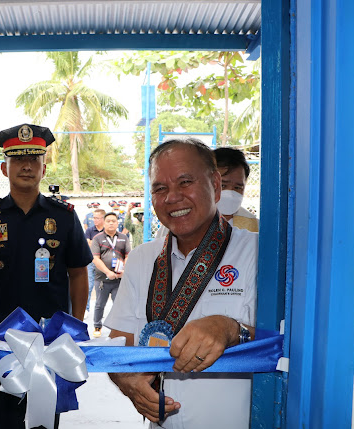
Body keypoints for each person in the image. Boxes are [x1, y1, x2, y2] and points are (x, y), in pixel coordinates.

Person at [105, 138, 258, 428]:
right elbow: (118, 341)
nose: (172, 197)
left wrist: (230, 329)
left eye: (185, 182)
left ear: (214, 184)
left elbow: (283, 342)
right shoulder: (141, 259)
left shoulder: (257, 253)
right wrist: (125, 379)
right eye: (159, 188)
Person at [0, 123, 92, 429]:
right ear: (4, 169)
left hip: (51, 340)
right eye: (18, 159)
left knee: (46, 418)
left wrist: (76, 328)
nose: (27, 166)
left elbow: (78, 273)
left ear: (44, 168)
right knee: (3, 416)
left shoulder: (64, 216)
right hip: (3, 338)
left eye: (34, 159)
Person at [90, 212, 131, 338]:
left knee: (118, 304)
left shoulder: (124, 238)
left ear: (118, 223)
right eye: (108, 221)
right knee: (100, 304)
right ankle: (97, 326)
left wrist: (124, 270)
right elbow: (95, 258)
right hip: (102, 279)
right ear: (104, 223)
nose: (111, 223)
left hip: (119, 279)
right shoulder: (97, 238)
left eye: (114, 221)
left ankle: (117, 328)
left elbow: (128, 255)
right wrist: (108, 272)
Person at [214, 147, 259, 232]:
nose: (230, 194)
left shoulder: (256, 229)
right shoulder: (187, 225)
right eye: (223, 185)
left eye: (237, 188)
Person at [83, 208, 105, 314]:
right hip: (91, 260)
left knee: (104, 286)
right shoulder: (89, 230)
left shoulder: (107, 230)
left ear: (103, 218)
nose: (94, 220)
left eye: (97, 218)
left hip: (104, 262)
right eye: (94, 218)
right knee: (89, 284)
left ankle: (100, 310)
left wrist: (94, 243)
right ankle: (86, 309)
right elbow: (88, 244)